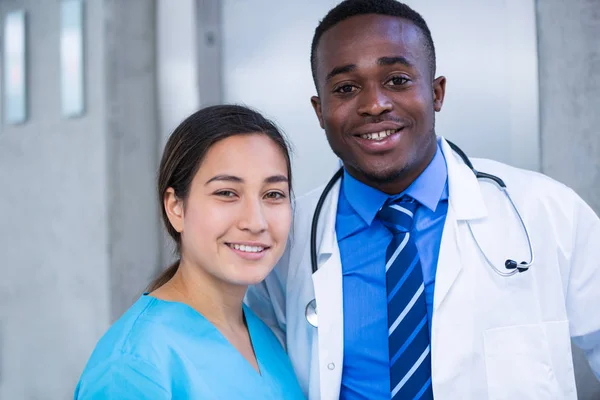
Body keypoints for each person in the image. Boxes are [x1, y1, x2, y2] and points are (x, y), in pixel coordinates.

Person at [246, 1, 600, 399]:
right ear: (320, 110)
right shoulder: (284, 239)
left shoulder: (546, 211)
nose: (375, 104)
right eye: (345, 88)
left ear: (436, 92)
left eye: (397, 80)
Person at [75, 105, 305, 399]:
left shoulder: (262, 335)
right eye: (226, 193)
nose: (255, 222)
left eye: (273, 194)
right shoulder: (134, 366)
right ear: (176, 207)